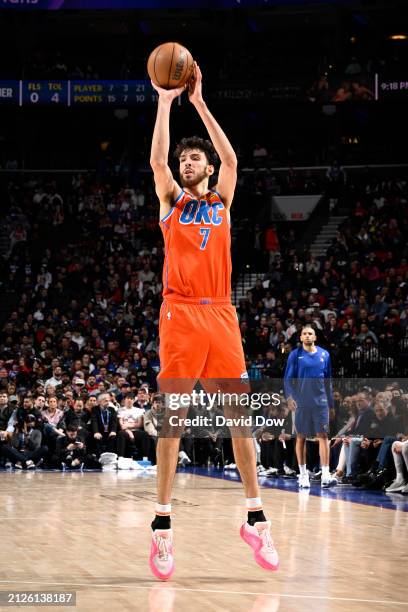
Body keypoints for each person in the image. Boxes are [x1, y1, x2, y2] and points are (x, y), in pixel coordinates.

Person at [148, 62, 278, 581]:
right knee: (173, 422)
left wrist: (198, 101)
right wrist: (163, 102)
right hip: (180, 313)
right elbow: (157, 159)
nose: (187, 164)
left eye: (194, 158)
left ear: (207, 167)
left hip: (221, 313)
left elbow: (232, 156)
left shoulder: (222, 200)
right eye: (185, 160)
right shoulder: (171, 203)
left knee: (240, 420)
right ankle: (161, 528)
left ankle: (255, 516)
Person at [284, 325, 337, 488]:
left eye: (310, 333)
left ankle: (326, 475)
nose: (307, 336)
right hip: (302, 403)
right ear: (300, 338)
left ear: (315, 337)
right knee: (301, 437)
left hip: (320, 403)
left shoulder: (324, 355)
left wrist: (331, 404)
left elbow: (328, 381)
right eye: (304, 333)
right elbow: (287, 379)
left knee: (323, 436)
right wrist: (289, 397)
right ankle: (303, 474)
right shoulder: (295, 355)